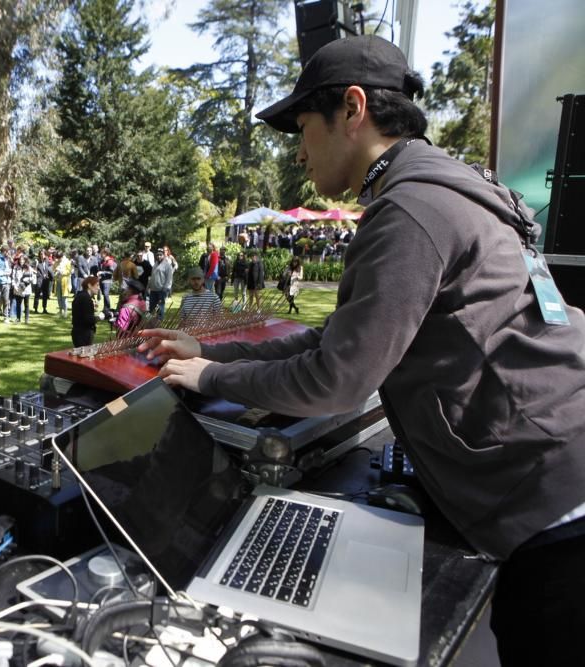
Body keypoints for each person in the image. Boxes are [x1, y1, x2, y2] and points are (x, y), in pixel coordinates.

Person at [138, 35, 585, 666]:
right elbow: (339, 340)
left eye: (303, 128)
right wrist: (218, 353)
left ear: (352, 109)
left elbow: (337, 380)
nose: (299, 150)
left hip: (557, 518)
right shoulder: (442, 188)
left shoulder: (411, 209)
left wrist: (210, 376)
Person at [71, 276, 105, 347]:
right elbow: (89, 319)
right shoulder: (85, 298)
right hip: (83, 334)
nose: (98, 288)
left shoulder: (81, 296)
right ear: (89, 285)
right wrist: (100, 317)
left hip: (79, 332)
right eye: (97, 285)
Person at [147, 248, 174, 319]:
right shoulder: (155, 265)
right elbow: (152, 276)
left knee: (160, 307)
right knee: (151, 307)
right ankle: (151, 323)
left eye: (160, 255)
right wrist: (148, 287)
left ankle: (159, 322)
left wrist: (165, 288)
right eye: (157, 255)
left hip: (161, 290)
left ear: (163, 256)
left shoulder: (167, 265)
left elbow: (169, 278)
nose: (159, 256)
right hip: (153, 290)